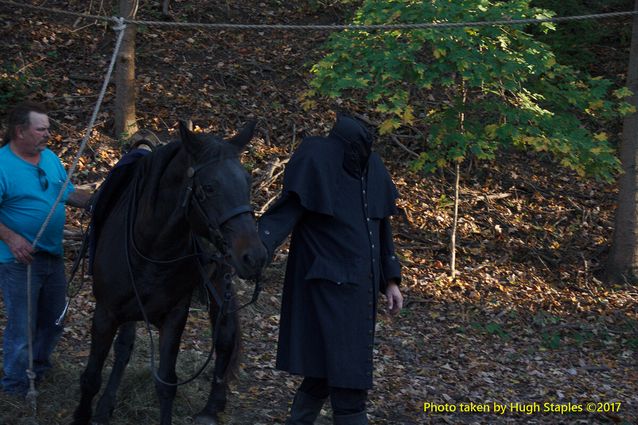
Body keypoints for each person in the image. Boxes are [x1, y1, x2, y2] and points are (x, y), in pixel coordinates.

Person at [258, 113, 404, 425]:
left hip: (359, 295)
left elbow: (381, 228)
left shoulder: (373, 169)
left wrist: (390, 279)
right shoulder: (319, 162)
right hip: (326, 291)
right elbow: (286, 211)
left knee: (323, 374)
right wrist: (256, 247)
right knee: (348, 384)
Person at [0, 101, 91, 396]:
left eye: (48, 128)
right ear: (20, 131)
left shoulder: (49, 158)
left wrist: (104, 196)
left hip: (53, 256)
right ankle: (15, 385)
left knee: (54, 320)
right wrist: (12, 238)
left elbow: (68, 194)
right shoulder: (2, 164)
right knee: (22, 325)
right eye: (41, 129)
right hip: (19, 260)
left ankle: (36, 371)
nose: (47, 134)